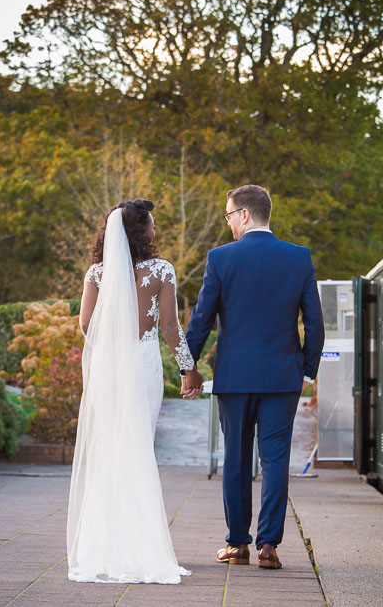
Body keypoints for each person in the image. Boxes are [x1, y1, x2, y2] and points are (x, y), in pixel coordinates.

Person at [183, 184, 324, 570]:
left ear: (244, 215)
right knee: (275, 459)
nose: (228, 224)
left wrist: (187, 369)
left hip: (235, 377)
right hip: (283, 377)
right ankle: (269, 546)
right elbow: (314, 321)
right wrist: (306, 369)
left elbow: (201, 321)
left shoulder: (220, 259)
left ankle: (237, 544)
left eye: (229, 215)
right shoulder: (299, 258)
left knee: (237, 459)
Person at [67, 199, 195, 584]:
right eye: (152, 224)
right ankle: (144, 549)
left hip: (110, 370)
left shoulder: (96, 273)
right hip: (143, 368)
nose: (156, 230)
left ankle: (105, 549)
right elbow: (171, 328)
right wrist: (189, 369)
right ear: (141, 231)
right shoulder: (161, 271)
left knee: (110, 451)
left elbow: (86, 324)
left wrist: (111, 351)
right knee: (139, 448)